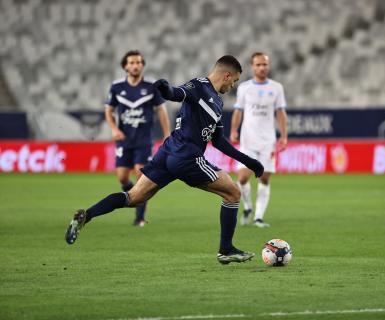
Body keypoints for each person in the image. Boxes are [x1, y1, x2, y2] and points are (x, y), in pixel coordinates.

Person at [65, 55, 264, 264]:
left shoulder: (217, 102)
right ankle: (226, 249)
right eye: (234, 81)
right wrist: (165, 89)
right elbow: (177, 94)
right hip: (186, 156)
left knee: (134, 198)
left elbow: (219, 142)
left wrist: (249, 161)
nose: (233, 86)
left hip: (167, 153)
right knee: (233, 193)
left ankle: (86, 215)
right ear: (227, 75)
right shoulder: (198, 86)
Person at [105, 50, 171, 227]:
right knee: (122, 177)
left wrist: (167, 134)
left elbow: (161, 111)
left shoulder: (151, 87)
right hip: (124, 139)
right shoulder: (117, 87)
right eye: (132, 63)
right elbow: (108, 110)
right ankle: (134, 196)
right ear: (125, 66)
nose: (135, 65)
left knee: (141, 173)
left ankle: (139, 216)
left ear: (142, 65)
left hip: (143, 140)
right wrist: (113, 129)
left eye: (138, 62)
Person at [230, 52, 288, 228]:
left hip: (267, 141)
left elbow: (280, 113)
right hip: (248, 140)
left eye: (265, 64)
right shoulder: (244, 88)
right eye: (258, 65)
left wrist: (284, 136)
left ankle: (258, 217)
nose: (262, 67)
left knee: (264, 178)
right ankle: (247, 206)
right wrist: (233, 130)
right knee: (242, 178)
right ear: (252, 67)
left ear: (268, 66)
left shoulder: (277, 87)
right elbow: (238, 110)